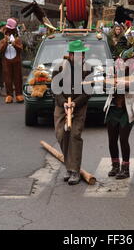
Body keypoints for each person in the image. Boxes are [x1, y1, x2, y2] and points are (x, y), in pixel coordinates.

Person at [52, 40, 93, 185]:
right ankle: (69, 167)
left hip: (79, 105)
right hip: (62, 104)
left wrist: (75, 103)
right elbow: (55, 88)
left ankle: (74, 170)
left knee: (75, 135)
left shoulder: (88, 68)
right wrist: (64, 102)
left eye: (82, 54)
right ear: (70, 55)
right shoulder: (59, 67)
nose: (80, 57)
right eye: (76, 54)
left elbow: (89, 91)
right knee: (62, 135)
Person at [104, 48, 134, 179]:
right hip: (113, 109)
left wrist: (122, 84)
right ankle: (115, 166)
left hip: (127, 110)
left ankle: (125, 169)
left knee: (123, 139)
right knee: (112, 140)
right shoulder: (113, 70)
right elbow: (105, 86)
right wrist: (110, 83)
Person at [0, 18, 24, 104]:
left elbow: (20, 49)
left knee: (18, 78)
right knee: (7, 78)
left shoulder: (17, 40)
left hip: (16, 61)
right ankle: (9, 95)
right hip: (6, 61)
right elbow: (0, 50)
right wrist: (6, 42)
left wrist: (14, 44)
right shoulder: (3, 40)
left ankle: (19, 94)